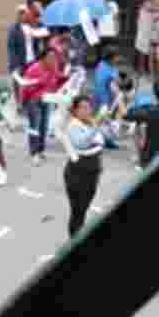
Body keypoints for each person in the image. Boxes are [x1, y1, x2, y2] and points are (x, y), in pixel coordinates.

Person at [64, 95, 104, 238]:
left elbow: (100, 142)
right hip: (77, 173)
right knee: (77, 211)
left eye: (89, 107)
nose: (87, 110)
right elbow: (82, 143)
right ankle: (73, 239)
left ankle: (77, 235)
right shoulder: (73, 125)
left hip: (93, 171)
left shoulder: (90, 122)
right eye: (83, 107)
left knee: (84, 208)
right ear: (75, 110)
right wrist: (96, 127)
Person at [21, 48, 67, 165]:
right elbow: (25, 86)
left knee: (44, 126)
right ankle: (34, 152)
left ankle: (41, 150)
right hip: (33, 100)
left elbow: (58, 78)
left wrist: (67, 77)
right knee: (34, 126)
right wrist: (38, 84)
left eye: (54, 57)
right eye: (50, 57)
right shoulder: (33, 69)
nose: (53, 60)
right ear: (43, 57)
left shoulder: (53, 67)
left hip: (47, 99)